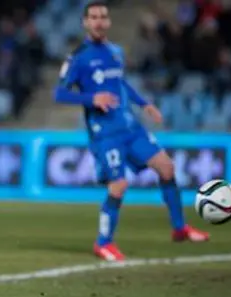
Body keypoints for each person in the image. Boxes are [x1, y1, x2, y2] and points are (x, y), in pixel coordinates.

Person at [54, 1, 209, 262]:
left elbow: (120, 83)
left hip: (130, 126)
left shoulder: (116, 52)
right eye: (93, 17)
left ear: (109, 22)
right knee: (119, 185)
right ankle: (103, 242)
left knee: (167, 168)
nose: (99, 21)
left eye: (103, 16)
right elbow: (59, 93)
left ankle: (179, 228)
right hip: (105, 133)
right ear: (85, 22)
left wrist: (144, 103)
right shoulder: (78, 57)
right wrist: (92, 99)